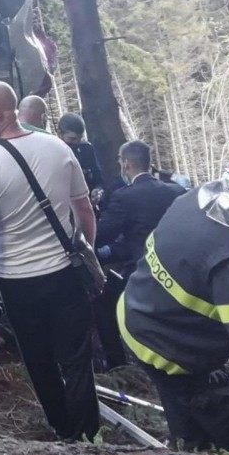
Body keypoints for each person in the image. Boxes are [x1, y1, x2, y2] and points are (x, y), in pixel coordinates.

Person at [0, 81, 100, 441]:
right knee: (76, 358)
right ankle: (89, 433)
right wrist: (86, 249)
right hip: (65, 272)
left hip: (17, 280)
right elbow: (84, 208)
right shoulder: (57, 147)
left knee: (39, 361)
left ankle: (63, 430)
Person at [119, 134, 229, 453]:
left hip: (140, 315)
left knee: (186, 424)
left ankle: (187, 446)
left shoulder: (197, 197)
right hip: (173, 349)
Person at [91, 140, 186, 371]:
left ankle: (118, 364)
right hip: (180, 269)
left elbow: (102, 234)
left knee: (102, 305)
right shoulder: (176, 191)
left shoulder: (125, 196)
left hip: (145, 271)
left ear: (126, 164)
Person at [57, 113, 104, 193]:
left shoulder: (86, 149)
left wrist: (98, 190)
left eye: (80, 139)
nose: (76, 143)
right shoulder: (54, 153)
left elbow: (98, 179)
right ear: (60, 134)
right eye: (72, 139)